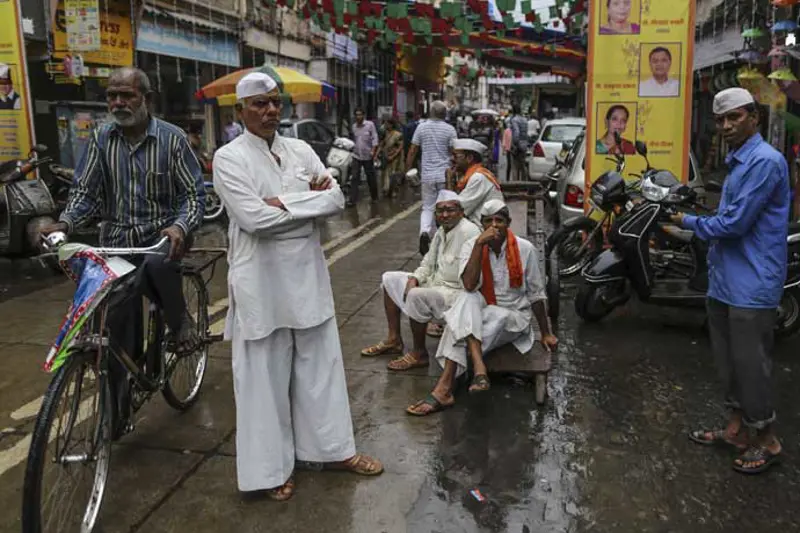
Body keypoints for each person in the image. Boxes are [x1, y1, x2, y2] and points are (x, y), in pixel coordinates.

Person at [212, 72, 383, 500]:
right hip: (260, 280)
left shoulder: (301, 149)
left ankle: (334, 450)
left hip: (307, 274)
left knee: (320, 366)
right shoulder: (229, 158)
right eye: (259, 104)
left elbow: (337, 199)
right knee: (263, 379)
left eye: (275, 102)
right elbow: (253, 220)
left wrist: (284, 203)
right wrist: (307, 204)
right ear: (240, 111)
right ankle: (271, 471)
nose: (270, 110)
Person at [41, 66, 205, 436]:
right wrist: (65, 223)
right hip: (116, 242)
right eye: (112, 95)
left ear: (145, 98)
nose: (118, 102)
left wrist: (179, 226)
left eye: (126, 95)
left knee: (157, 264)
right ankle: (117, 410)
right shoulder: (101, 139)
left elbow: (193, 196)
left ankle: (179, 322)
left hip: (161, 239)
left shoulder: (172, 139)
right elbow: (85, 193)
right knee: (113, 329)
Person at [671, 88, 789, 475]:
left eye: (734, 117)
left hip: (752, 284)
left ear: (754, 118)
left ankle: (768, 441)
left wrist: (686, 223)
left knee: (751, 364)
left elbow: (735, 224)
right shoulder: (737, 161)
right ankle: (736, 430)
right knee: (728, 362)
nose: (725, 126)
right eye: (720, 120)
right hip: (726, 279)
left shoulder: (765, 162)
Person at [406, 200, 558, 415]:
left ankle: (445, 387)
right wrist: (479, 245)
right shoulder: (472, 245)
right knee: (467, 298)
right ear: (482, 224)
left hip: (513, 316)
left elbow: (536, 294)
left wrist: (546, 333)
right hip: (480, 308)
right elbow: (469, 285)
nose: (494, 226)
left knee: (459, 327)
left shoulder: (525, 249)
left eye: (500, 221)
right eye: (488, 221)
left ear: (509, 223)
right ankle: (477, 369)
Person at [361, 190, 480, 370]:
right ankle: (394, 340)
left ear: (461, 212)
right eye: (440, 211)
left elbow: (470, 281)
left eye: (450, 210)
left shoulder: (469, 231)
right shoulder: (442, 230)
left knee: (416, 296)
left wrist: (417, 286)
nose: (445, 215)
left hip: (456, 294)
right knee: (389, 279)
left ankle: (419, 353)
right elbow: (427, 263)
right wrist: (414, 278)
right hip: (435, 285)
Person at [406, 100, 458, 256]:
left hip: (427, 175)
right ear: (445, 114)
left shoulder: (421, 127)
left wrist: (407, 169)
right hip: (445, 175)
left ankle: (424, 233)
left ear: (430, 112)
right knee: (445, 208)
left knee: (427, 207)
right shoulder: (450, 129)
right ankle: (441, 238)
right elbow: (454, 151)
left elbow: (413, 149)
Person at [452, 139, 504, 226]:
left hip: (484, 229)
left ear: (469, 158)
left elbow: (455, 210)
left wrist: (449, 181)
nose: (452, 159)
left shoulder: (478, 178)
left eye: (455, 156)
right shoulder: (470, 175)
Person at [349, 107, 379, 206]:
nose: (358, 117)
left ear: (363, 115)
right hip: (357, 155)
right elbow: (353, 140)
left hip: (368, 156)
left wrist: (373, 151)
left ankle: (374, 197)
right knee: (354, 177)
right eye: (356, 115)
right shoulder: (354, 127)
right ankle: (352, 200)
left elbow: (375, 138)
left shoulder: (370, 125)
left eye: (360, 114)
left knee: (370, 177)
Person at [379, 117, 404, 197]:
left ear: (391, 125)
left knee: (393, 174)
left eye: (387, 124)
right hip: (385, 156)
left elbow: (400, 147)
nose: (385, 125)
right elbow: (381, 144)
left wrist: (393, 155)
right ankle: (386, 189)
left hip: (395, 158)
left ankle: (394, 191)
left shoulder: (398, 135)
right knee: (385, 173)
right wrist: (376, 155)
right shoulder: (384, 133)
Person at [509, 104, 530, 180]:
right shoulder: (525, 120)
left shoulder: (514, 120)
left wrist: (515, 144)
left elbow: (516, 133)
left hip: (517, 145)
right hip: (524, 144)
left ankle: (515, 184)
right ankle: (524, 182)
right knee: (522, 165)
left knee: (515, 166)